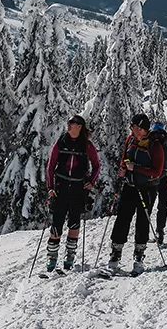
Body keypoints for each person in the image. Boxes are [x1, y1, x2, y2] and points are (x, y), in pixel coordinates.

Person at [107, 113, 165, 275]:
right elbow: (125, 158)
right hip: (130, 185)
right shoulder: (130, 140)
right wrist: (123, 168)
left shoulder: (155, 146)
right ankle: (115, 256)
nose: (131, 128)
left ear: (140, 128)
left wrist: (136, 168)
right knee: (122, 219)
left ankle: (138, 259)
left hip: (147, 188)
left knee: (142, 221)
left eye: (132, 126)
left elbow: (157, 171)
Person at [45, 114, 100, 272]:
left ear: (79, 127)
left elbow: (96, 165)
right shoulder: (60, 142)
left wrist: (91, 182)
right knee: (57, 222)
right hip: (60, 187)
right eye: (69, 122)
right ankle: (52, 256)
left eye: (72, 123)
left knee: (74, 222)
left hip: (78, 188)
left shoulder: (87, 146)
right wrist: (50, 187)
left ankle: (70, 255)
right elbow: (50, 166)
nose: (68, 125)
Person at [150, 122, 167, 245]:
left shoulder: (150, 140)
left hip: (152, 177)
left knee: (148, 205)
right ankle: (160, 231)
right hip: (166, 177)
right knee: (162, 205)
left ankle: (143, 234)